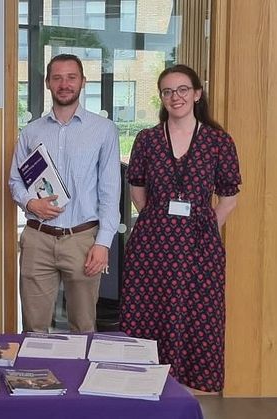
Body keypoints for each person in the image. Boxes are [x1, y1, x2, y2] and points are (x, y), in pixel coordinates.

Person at [120, 64, 241, 393]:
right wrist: (161, 223)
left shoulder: (218, 142)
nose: (176, 97)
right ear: (161, 97)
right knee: (149, 314)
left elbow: (229, 197)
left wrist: (203, 229)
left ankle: (189, 393)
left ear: (197, 94)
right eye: (168, 91)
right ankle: (143, 389)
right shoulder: (147, 139)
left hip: (199, 250)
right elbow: (137, 190)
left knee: (197, 319)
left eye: (183, 90)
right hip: (152, 248)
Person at [9, 54, 121, 333]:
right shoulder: (31, 132)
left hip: (82, 240)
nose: (64, 84)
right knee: (34, 329)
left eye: (71, 77)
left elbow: (110, 191)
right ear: (48, 83)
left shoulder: (104, 130)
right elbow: (15, 181)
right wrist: (30, 202)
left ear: (83, 82)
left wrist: (103, 243)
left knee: (83, 327)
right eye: (57, 77)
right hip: (38, 239)